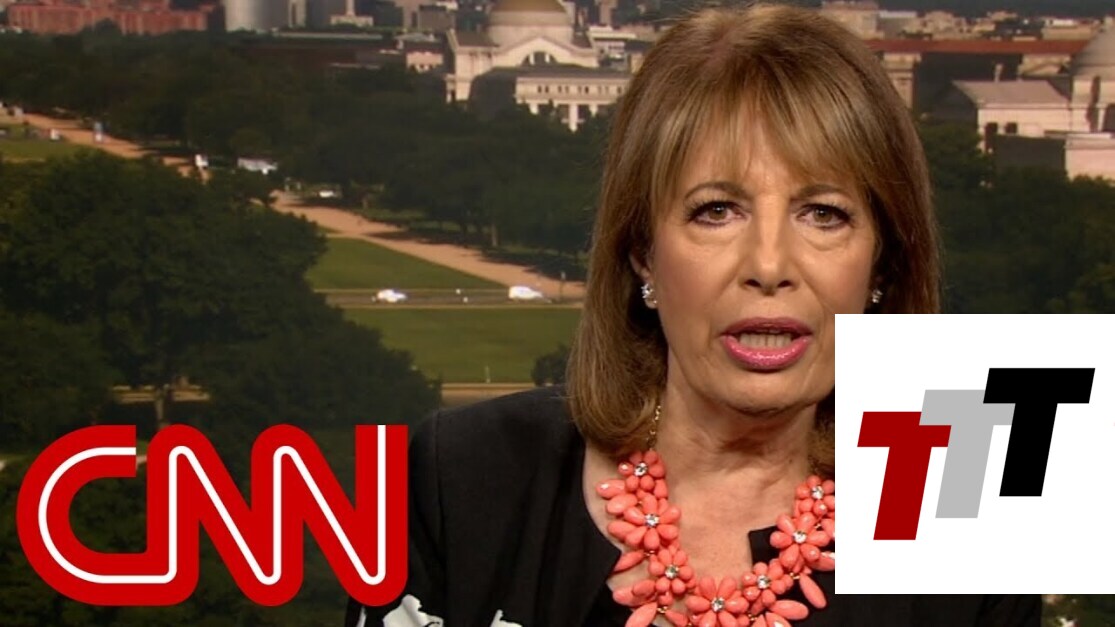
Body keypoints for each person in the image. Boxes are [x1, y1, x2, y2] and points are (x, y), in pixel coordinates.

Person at [348, 4, 1040, 626]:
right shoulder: (455, 474)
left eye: (823, 214)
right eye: (716, 210)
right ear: (642, 251)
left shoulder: (973, 519)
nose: (768, 264)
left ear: (882, 265)